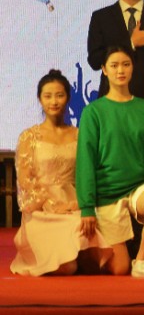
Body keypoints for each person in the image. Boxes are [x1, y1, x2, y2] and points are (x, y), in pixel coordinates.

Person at [75, 46, 144, 278]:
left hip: (139, 187)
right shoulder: (93, 112)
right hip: (108, 193)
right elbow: (86, 162)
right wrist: (86, 206)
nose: (120, 70)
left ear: (133, 68)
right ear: (104, 70)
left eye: (126, 65)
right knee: (119, 269)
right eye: (114, 65)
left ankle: (141, 261)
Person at [12, 70, 101, 276]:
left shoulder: (79, 134)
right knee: (67, 268)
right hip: (41, 212)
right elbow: (25, 181)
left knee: (94, 264)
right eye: (48, 96)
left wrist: (77, 205)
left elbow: (89, 173)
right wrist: (49, 205)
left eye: (59, 95)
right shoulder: (28, 136)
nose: (54, 101)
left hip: (74, 206)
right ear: (40, 99)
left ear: (68, 97)